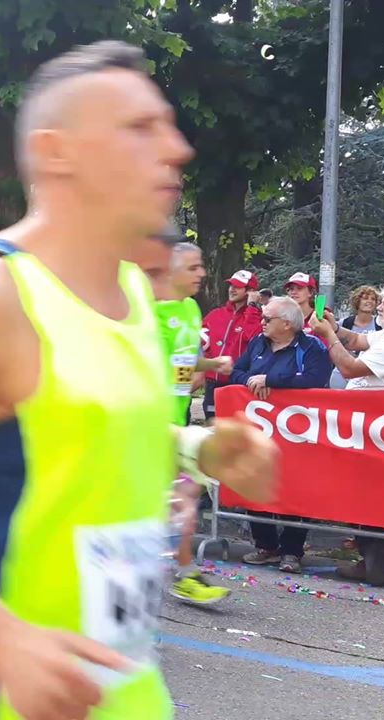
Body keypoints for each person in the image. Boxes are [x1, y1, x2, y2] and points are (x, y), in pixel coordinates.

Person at [0, 41, 277, 720]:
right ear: (56, 151)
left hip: (130, 684)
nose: (177, 148)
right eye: (139, 128)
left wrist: (200, 450)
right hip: (20, 695)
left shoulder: (133, 289)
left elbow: (84, 433)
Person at [131, 236, 235, 605]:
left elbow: (181, 366)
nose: (202, 274)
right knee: (168, 500)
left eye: (201, 266)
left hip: (175, 421)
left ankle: (184, 574)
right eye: (193, 267)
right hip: (141, 423)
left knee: (187, 495)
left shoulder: (191, 309)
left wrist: (208, 366)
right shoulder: (141, 310)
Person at [312, 280, 384, 583]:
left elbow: (349, 368)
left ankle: (376, 566)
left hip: (377, 434)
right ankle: (371, 562)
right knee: (361, 499)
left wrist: (327, 337)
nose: (379, 306)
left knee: (370, 502)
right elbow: (358, 342)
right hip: (366, 431)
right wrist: (335, 328)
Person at [232, 296, 331, 573]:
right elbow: (237, 372)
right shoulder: (258, 343)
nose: (261, 322)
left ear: (287, 324)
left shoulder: (311, 347)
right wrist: (252, 382)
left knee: (297, 488)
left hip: (298, 433)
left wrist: (272, 381)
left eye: (267, 319)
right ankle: (265, 545)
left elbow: (316, 378)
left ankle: (291, 551)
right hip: (260, 431)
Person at [201, 269, 263, 419]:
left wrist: (253, 307)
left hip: (237, 385)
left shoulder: (256, 317)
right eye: (231, 285)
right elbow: (199, 343)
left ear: (250, 291)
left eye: (237, 286)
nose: (232, 289)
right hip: (212, 385)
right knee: (212, 428)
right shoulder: (215, 314)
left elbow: (252, 336)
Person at [330, 285, 381, 388]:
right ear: (357, 301)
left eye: (373, 299)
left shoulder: (380, 325)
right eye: (365, 298)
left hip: (367, 376)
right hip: (341, 374)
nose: (369, 301)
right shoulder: (344, 323)